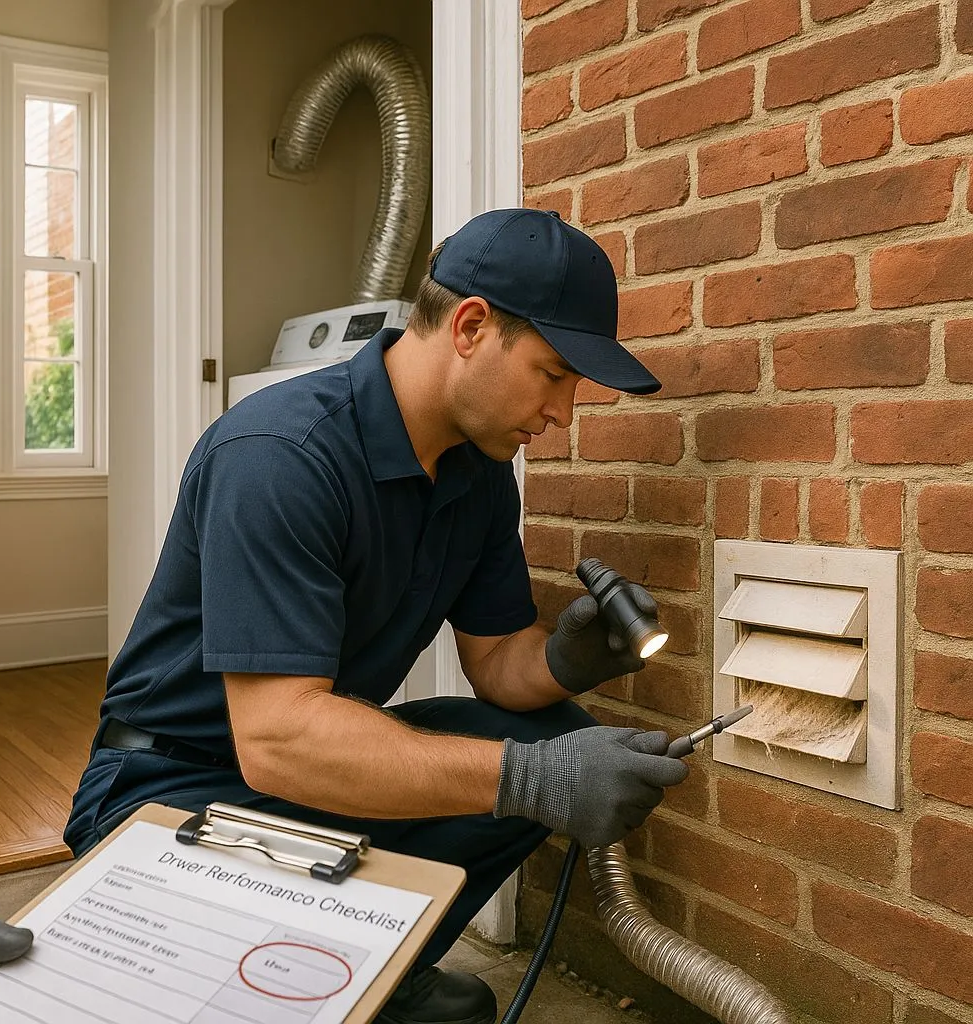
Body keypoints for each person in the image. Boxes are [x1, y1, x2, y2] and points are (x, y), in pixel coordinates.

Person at [64, 208, 689, 1024]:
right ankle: (290, 963)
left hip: (299, 772)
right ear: (471, 326)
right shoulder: (280, 455)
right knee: (525, 770)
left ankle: (384, 961)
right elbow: (279, 740)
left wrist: (572, 659)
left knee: (546, 736)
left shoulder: (480, 471)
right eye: (554, 374)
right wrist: (529, 783)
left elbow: (498, 663)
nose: (564, 414)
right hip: (164, 787)